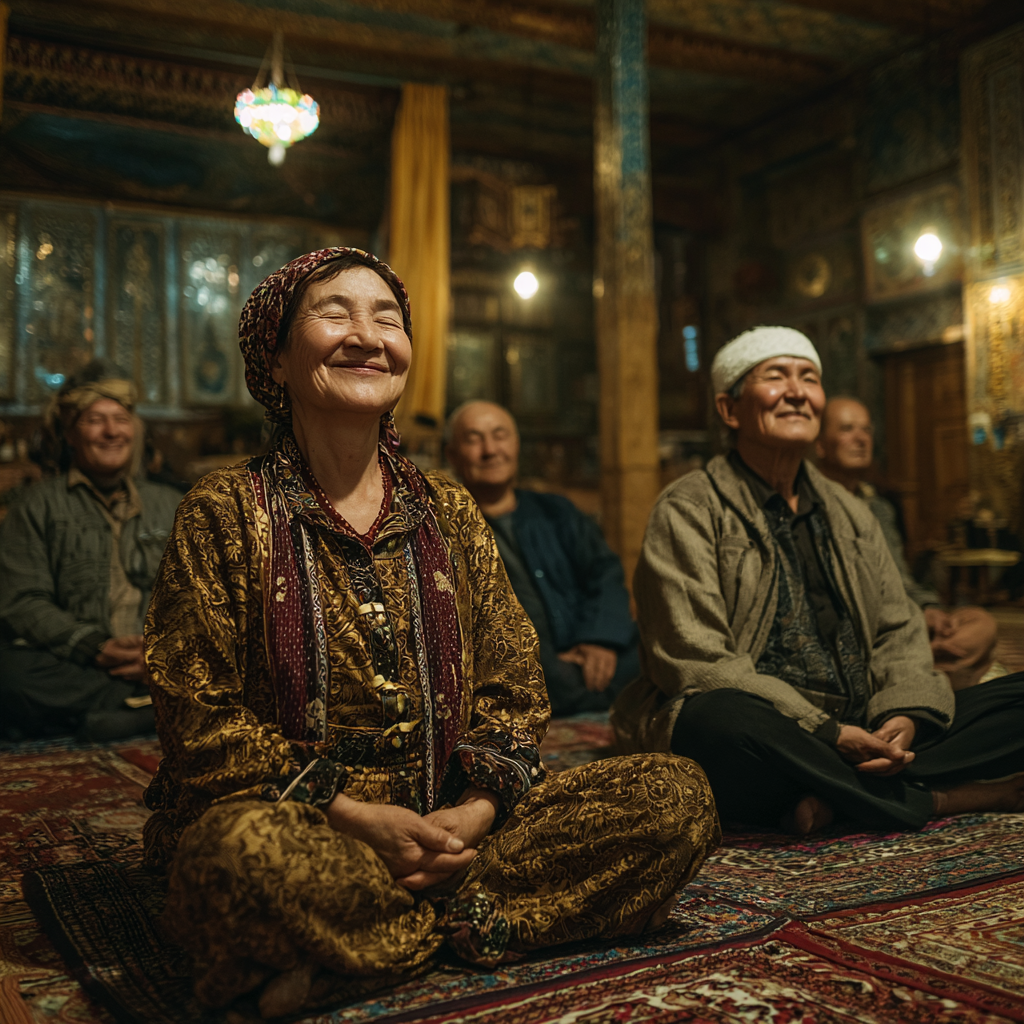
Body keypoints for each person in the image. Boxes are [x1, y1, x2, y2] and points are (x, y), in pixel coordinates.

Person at [143, 248, 719, 1018]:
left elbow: (515, 683)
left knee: (673, 794)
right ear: (274, 360)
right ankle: (478, 924)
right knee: (235, 861)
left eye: (387, 318)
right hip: (306, 829)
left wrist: (476, 810)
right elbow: (198, 718)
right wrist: (347, 815)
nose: (367, 336)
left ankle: (370, 943)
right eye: (335, 313)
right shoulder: (221, 510)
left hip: (457, 827)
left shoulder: (446, 510)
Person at [612, 325, 1024, 835]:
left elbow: (898, 627)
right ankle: (941, 797)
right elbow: (697, 662)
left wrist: (906, 716)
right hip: (773, 725)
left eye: (808, 378)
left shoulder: (850, 511)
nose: (796, 392)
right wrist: (828, 734)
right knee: (714, 723)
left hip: (865, 716)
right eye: (775, 376)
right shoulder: (689, 508)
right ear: (729, 409)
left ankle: (830, 793)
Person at [0, 360, 180, 741]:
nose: (111, 431)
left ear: (134, 428)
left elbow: (201, 598)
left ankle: (127, 708)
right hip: (78, 662)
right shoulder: (36, 506)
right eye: (95, 420)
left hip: (163, 659)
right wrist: (94, 646)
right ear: (70, 432)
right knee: (8, 672)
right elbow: (23, 601)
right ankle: (147, 707)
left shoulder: (172, 504)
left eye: (120, 418)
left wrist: (163, 654)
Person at [444, 401, 638, 715]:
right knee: (520, 676)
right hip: (528, 663)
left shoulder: (556, 511)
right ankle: (602, 696)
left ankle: (581, 693)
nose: (490, 449)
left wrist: (599, 639)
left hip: (587, 644)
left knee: (653, 648)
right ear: (452, 455)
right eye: (473, 439)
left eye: (500, 435)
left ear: (516, 445)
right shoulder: (446, 528)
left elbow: (604, 571)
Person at [816, 396, 1000, 691]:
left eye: (866, 430)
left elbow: (901, 580)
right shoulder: (810, 505)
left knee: (979, 623)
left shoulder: (879, 507)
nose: (860, 438)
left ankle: (921, 677)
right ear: (820, 443)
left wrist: (928, 607)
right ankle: (930, 679)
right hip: (864, 629)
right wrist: (912, 619)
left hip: (906, 620)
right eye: (847, 429)